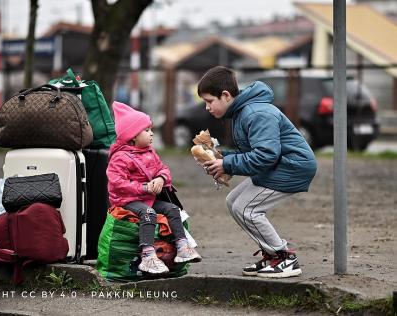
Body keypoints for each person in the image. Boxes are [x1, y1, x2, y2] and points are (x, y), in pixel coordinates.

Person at [197, 66, 317, 278]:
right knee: (233, 201)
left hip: (291, 167)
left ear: (225, 96)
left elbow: (266, 155)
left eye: (209, 101)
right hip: (278, 165)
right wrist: (222, 157)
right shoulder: (242, 113)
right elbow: (253, 152)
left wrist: (228, 165)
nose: (206, 107)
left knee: (247, 209)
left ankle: (285, 258)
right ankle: (272, 256)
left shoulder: (256, 113)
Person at [107, 101, 201, 274]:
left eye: (150, 129)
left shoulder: (150, 152)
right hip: (126, 200)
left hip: (147, 198)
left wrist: (160, 178)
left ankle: (182, 246)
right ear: (133, 135)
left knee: (173, 209)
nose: (151, 134)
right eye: (147, 130)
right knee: (148, 214)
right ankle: (148, 256)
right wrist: (144, 187)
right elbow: (117, 183)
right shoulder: (120, 157)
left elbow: (163, 169)